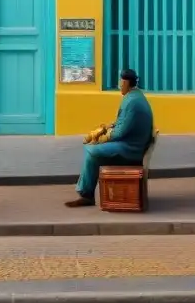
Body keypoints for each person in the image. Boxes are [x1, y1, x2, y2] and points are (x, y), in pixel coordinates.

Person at [65, 69, 154, 208]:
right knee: (93, 152)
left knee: (91, 150)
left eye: (121, 82)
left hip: (130, 149)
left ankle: (86, 194)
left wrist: (102, 138)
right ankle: (86, 194)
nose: (119, 85)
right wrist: (109, 126)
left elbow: (120, 132)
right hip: (131, 144)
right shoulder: (135, 97)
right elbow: (122, 123)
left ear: (126, 82)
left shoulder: (132, 102)